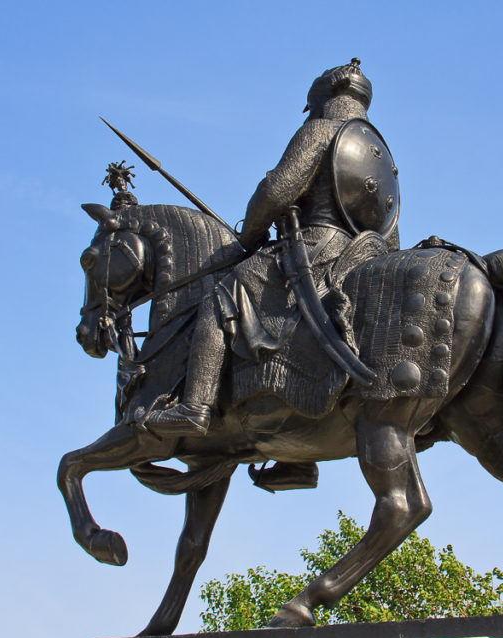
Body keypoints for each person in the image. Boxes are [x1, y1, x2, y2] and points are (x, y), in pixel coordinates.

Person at [144, 59, 382, 442]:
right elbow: (388, 227)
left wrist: (249, 236)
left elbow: (276, 190)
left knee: (222, 296)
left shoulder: (321, 130)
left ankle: (195, 407)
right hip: (358, 257)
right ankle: (297, 460)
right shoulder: (378, 152)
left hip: (314, 249)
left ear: (322, 98)